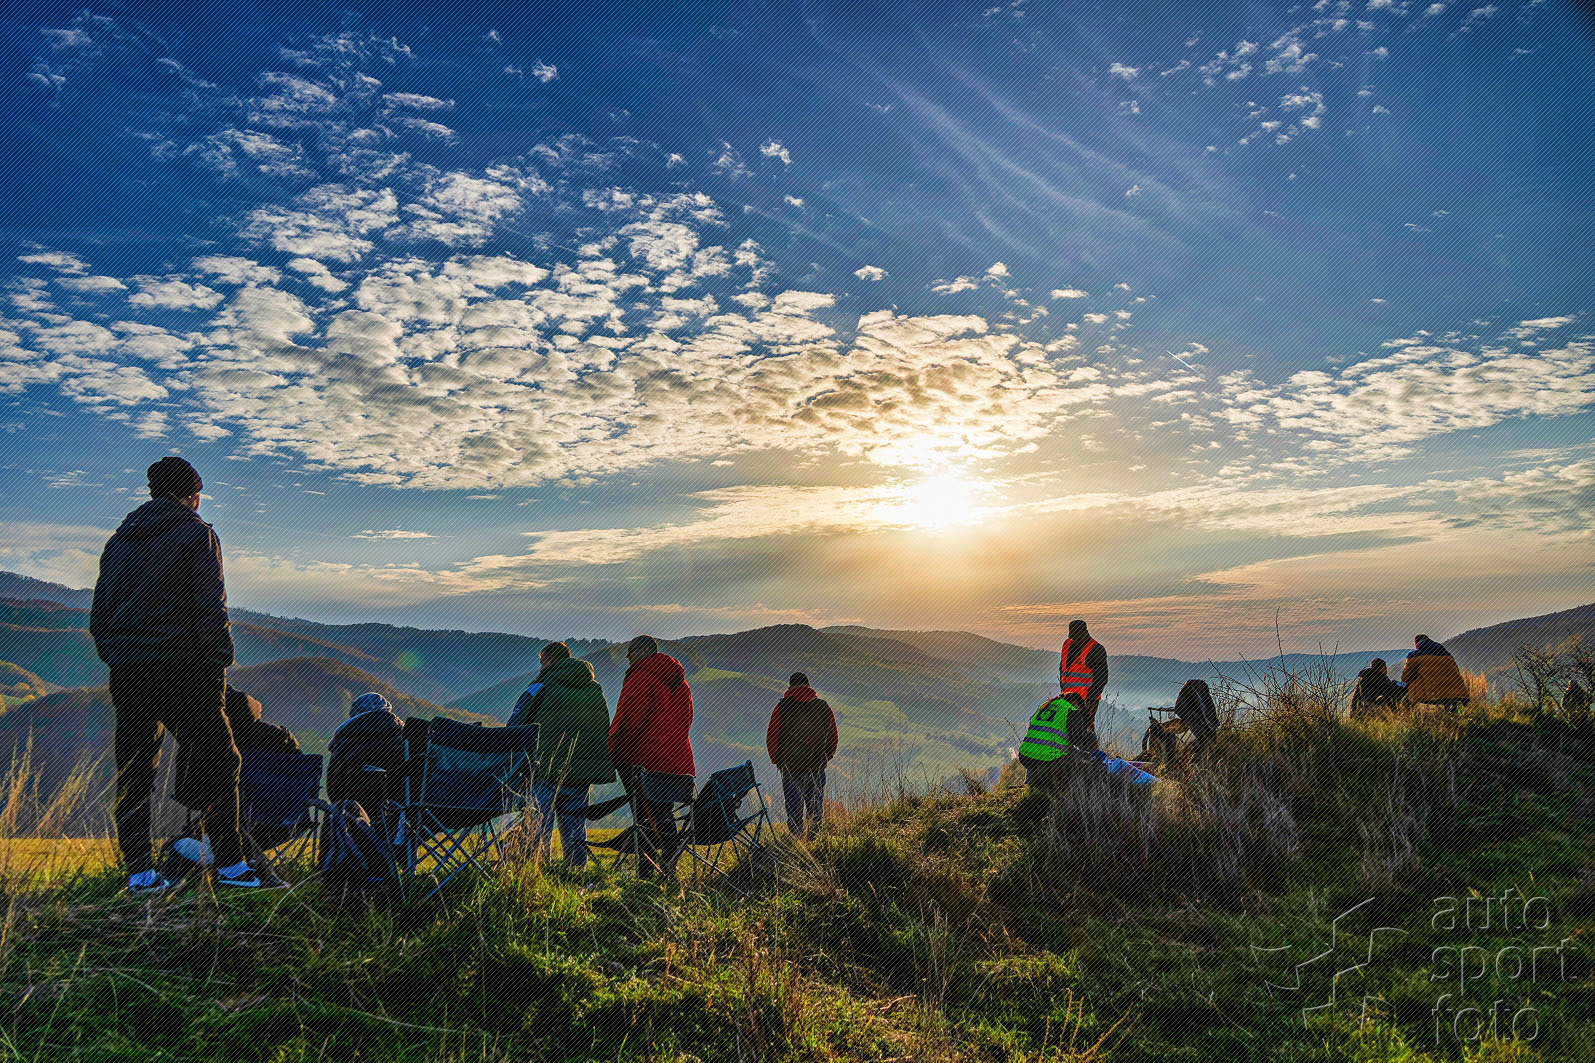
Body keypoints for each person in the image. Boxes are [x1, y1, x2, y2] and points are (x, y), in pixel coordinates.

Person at [90, 456, 265, 892]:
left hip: (128, 671)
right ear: (192, 494)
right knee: (221, 760)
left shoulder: (118, 542)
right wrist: (218, 666)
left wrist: (119, 655)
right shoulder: (196, 533)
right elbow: (210, 607)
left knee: (135, 769)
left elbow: (99, 615)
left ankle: (139, 873)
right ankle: (231, 866)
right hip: (183, 668)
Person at [507, 642, 615, 870]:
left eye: (541, 662)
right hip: (580, 771)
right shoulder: (593, 687)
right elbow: (601, 728)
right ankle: (576, 872)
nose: (540, 667)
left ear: (550, 660)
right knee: (575, 825)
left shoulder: (540, 685)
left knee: (539, 823)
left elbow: (515, 724)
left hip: (545, 767)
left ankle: (535, 872)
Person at [609, 635, 694, 877]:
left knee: (643, 816)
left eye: (631, 650)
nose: (628, 655)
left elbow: (629, 721)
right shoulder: (680, 682)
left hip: (641, 760)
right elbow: (686, 720)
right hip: (674, 761)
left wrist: (616, 754)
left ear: (646, 649)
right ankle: (668, 866)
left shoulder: (640, 676)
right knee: (663, 814)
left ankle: (646, 872)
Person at [766, 672, 837, 838]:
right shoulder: (823, 707)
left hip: (791, 767)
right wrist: (826, 757)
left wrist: (777, 760)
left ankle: (796, 840)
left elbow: (772, 736)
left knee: (794, 808)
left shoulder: (781, 707)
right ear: (808, 686)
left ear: (790, 687)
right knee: (815, 807)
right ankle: (814, 840)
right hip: (816, 766)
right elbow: (833, 736)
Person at [326, 692, 407, 823]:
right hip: (398, 799)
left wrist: (339, 803)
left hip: (356, 803)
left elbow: (334, 783)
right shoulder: (404, 735)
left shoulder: (343, 737)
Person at [1018, 691, 1086, 789]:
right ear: (1075, 703)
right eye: (1080, 709)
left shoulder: (1045, 705)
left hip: (1025, 755)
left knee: (1037, 753)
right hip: (1049, 759)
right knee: (1077, 754)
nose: (1079, 712)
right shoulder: (1071, 710)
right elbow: (1080, 741)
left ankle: (1029, 784)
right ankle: (1064, 788)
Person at [1059, 620, 1109, 749]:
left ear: (1085, 633)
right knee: (1066, 730)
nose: (1076, 640)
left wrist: (1089, 700)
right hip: (1066, 698)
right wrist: (1063, 690)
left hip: (1085, 700)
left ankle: (1091, 756)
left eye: (1078, 637)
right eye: (1073, 637)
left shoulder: (1096, 649)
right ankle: (1068, 757)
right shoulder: (1066, 644)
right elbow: (1063, 669)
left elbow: (1101, 678)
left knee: (1085, 731)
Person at [1400, 635, 1470, 709]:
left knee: (1404, 695)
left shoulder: (1414, 656)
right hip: (1456, 692)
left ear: (1416, 643)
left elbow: (1406, 676)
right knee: (1451, 700)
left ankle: (1410, 714)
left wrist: (1404, 684)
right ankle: (1456, 712)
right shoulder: (1448, 655)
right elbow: (1456, 671)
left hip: (1431, 693)